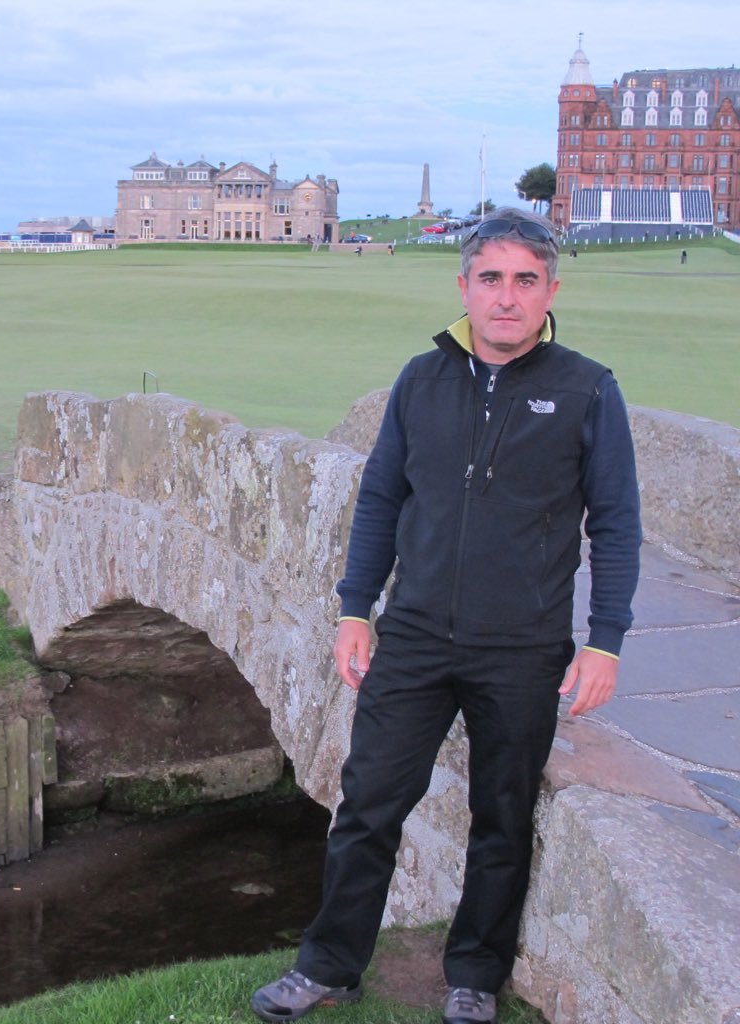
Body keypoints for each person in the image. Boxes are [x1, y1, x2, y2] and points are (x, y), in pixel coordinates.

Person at [251, 207, 641, 1024]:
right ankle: (330, 964)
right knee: (368, 805)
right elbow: (381, 499)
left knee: (501, 819)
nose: (507, 297)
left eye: (525, 281)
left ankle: (473, 974)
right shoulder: (420, 381)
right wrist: (355, 610)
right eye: (491, 278)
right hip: (417, 636)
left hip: (523, 648)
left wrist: (606, 641)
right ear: (463, 285)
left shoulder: (588, 388)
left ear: (550, 291)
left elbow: (614, 521)